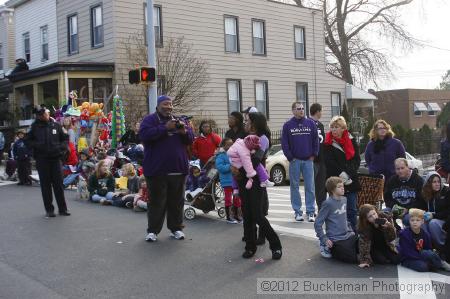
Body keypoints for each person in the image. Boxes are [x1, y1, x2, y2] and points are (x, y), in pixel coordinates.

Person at [139, 95, 194, 242]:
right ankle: (153, 231)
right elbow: (144, 135)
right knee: (156, 202)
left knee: (177, 202)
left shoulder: (179, 120)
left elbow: (190, 138)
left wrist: (184, 132)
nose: (168, 107)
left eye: (170, 104)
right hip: (157, 170)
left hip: (178, 169)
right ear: (158, 106)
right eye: (165, 104)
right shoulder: (150, 120)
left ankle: (176, 228)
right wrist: (165, 128)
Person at [232, 112, 282, 259]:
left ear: (254, 123)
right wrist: (233, 167)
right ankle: (250, 246)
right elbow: (235, 155)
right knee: (246, 214)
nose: (245, 123)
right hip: (242, 180)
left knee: (258, 215)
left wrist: (239, 167)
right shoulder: (242, 138)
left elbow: (255, 160)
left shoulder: (263, 139)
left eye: (247, 121)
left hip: (256, 181)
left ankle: (276, 245)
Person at [25, 105, 70, 218]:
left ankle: (63, 209)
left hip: (55, 159)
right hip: (42, 160)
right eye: (43, 114)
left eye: (46, 113)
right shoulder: (34, 127)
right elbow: (27, 141)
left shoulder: (56, 125)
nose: (46, 115)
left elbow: (64, 138)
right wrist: (37, 147)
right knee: (45, 186)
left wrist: (61, 150)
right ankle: (49, 210)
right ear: (39, 116)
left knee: (59, 185)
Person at [282, 102, 319, 222]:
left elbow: (316, 141)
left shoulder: (311, 123)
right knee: (295, 187)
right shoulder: (288, 125)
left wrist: (314, 154)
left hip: (308, 160)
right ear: (293, 110)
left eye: (303, 108)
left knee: (310, 187)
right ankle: (297, 212)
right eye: (299, 109)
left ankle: (310, 212)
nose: (301, 110)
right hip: (295, 161)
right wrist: (290, 157)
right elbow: (285, 143)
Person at [323, 116, 360, 232]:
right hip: (335, 181)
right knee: (336, 211)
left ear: (343, 128)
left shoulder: (351, 140)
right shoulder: (327, 142)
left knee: (351, 211)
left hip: (351, 181)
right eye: (332, 127)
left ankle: (353, 235)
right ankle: (336, 235)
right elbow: (329, 162)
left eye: (337, 127)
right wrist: (341, 175)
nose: (334, 130)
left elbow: (356, 160)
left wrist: (347, 174)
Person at [314, 177, 358, 263]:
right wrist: (324, 239)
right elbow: (317, 223)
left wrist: (350, 230)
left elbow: (344, 218)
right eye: (339, 186)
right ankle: (324, 246)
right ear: (332, 190)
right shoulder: (328, 203)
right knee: (352, 258)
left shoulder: (344, 199)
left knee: (360, 248)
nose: (342, 188)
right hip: (335, 238)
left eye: (343, 186)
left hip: (347, 235)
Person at [384, 158, 426, 226]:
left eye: (402, 168)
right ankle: (394, 233)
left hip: (412, 210)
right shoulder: (392, 181)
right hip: (396, 209)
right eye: (398, 169)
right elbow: (387, 198)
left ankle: (409, 235)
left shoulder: (418, 180)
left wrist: (408, 209)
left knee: (407, 219)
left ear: (408, 167)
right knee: (383, 214)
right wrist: (395, 207)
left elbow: (422, 201)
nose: (400, 171)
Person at [421, 171, 450, 249]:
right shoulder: (426, 194)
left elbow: (447, 212)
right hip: (431, 218)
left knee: (433, 223)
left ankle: (441, 246)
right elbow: (422, 208)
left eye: (438, 181)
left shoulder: (446, 192)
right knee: (421, 223)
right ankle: (429, 246)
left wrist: (433, 215)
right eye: (434, 182)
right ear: (429, 183)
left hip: (444, 220)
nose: (437, 184)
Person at [216, 138, 241, 223]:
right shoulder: (221, 155)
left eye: (231, 143)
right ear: (223, 145)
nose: (230, 145)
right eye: (228, 144)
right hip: (227, 180)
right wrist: (229, 167)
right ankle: (229, 216)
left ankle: (237, 215)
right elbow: (219, 167)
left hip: (235, 179)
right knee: (228, 198)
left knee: (237, 197)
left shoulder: (235, 153)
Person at [310, 103, 327, 210]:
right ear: (317, 111)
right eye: (321, 111)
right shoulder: (308, 123)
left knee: (321, 186)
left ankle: (322, 207)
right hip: (312, 160)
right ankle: (310, 208)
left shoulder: (320, 125)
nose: (322, 113)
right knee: (311, 186)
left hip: (321, 160)